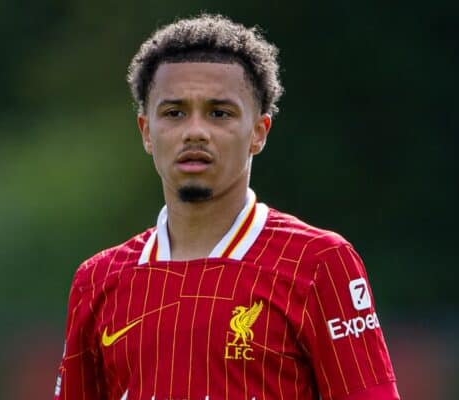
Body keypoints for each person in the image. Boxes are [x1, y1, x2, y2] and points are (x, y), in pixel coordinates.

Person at [53, 14, 399, 400]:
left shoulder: (318, 264)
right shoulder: (98, 281)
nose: (195, 131)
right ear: (146, 131)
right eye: (174, 113)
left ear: (259, 132)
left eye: (219, 113)